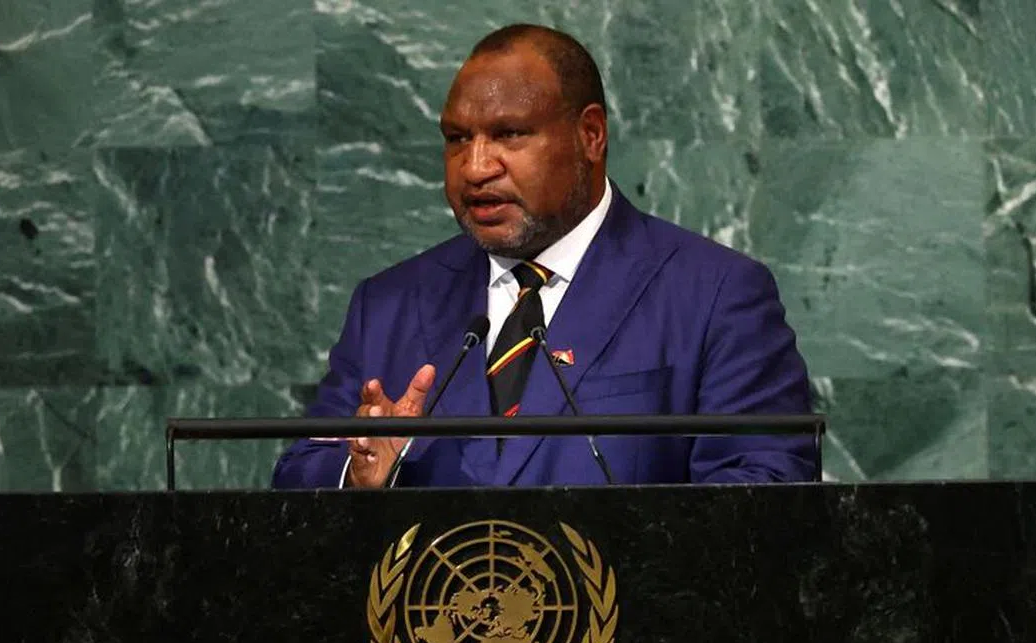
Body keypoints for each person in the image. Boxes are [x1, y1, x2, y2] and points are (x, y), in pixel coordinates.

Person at [272, 24, 816, 489]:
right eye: (457, 138)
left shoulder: (716, 295)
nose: (475, 167)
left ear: (590, 135)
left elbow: (767, 488)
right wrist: (359, 475)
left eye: (508, 134)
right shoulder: (387, 304)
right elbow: (298, 477)